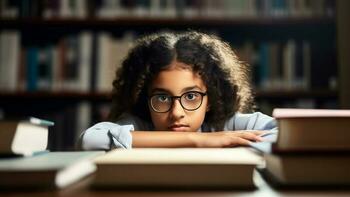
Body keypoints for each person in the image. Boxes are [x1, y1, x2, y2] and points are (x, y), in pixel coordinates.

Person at [79, 31, 277, 150]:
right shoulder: (141, 124)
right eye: (162, 97)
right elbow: (90, 139)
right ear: (145, 98)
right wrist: (200, 140)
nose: (176, 113)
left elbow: (286, 133)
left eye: (191, 96)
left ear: (210, 99)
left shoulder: (227, 125)